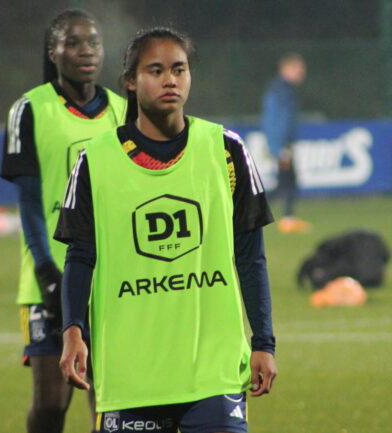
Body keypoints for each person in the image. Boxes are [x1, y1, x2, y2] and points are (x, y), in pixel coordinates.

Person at [55, 27, 277, 433]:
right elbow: (81, 257)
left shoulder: (226, 149)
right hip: (131, 374)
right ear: (130, 82)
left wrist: (264, 341)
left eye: (179, 69)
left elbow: (250, 256)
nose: (170, 79)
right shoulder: (95, 161)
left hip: (214, 371)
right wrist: (73, 332)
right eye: (155, 70)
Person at [0, 9, 126, 433]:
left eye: (93, 42)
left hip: (110, 277)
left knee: (108, 402)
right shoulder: (29, 109)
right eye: (73, 42)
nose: (86, 51)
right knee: (52, 403)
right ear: (53, 51)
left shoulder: (123, 113)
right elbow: (30, 202)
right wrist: (46, 270)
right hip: (48, 276)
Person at [261, 52, 311, 234]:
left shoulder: (281, 89)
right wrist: (280, 145)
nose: (302, 73)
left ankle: (286, 218)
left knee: (285, 181)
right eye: (298, 69)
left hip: (282, 143)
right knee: (287, 181)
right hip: (282, 144)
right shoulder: (282, 90)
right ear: (287, 69)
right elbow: (277, 120)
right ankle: (255, 212)